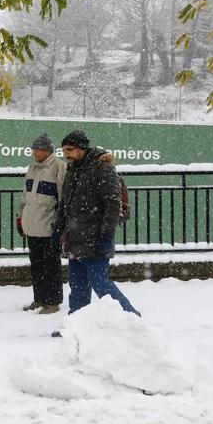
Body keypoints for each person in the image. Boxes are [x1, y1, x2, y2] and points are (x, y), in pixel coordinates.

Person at [53, 130, 140, 328]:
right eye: (64, 150)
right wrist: (57, 230)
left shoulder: (102, 168)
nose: (66, 154)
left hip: (95, 237)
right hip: (75, 239)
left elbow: (112, 203)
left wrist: (106, 235)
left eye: (70, 149)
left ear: (81, 148)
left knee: (100, 283)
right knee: (78, 287)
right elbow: (65, 204)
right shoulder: (73, 169)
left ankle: (131, 319)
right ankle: (77, 326)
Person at [17, 133, 67, 314]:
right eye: (34, 149)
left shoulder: (59, 168)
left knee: (51, 266)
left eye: (37, 150)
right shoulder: (32, 168)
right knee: (36, 265)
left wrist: (60, 224)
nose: (34, 153)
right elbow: (25, 196)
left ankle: (53, 302)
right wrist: (20, 216)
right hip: (31, 224)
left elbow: (63, 199)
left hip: (49, 226)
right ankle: (39, 298)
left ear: (47, 150)